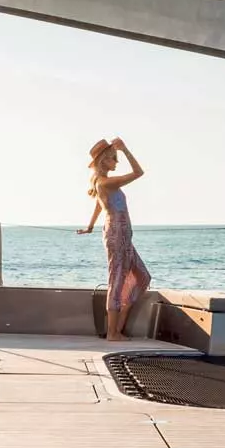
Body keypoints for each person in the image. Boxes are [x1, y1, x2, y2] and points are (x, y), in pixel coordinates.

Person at [78, 136, 152, 341]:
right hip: (117, 235)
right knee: (117, 280)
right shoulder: (105, 182)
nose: (116, 162)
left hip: (123, 236)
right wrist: (126, 149)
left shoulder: (104, 183)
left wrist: (90, 226)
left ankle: (118, 327)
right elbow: (139, 172)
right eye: (113, 158)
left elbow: (98, 205)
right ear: (103, 161)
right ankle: (112, 333)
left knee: (143, 277)